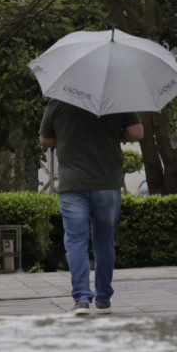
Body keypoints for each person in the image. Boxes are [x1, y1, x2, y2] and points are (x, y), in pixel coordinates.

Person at [39, 99, 143, 316]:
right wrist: (115, 134)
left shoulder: (58, 102)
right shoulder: (115, 99)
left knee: (75, 241)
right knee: (104, 241)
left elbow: (45, 139)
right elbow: (137, 132)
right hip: (106, 183)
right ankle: (103, 299)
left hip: (73, 186)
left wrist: (68, 138)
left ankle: (82, 300)